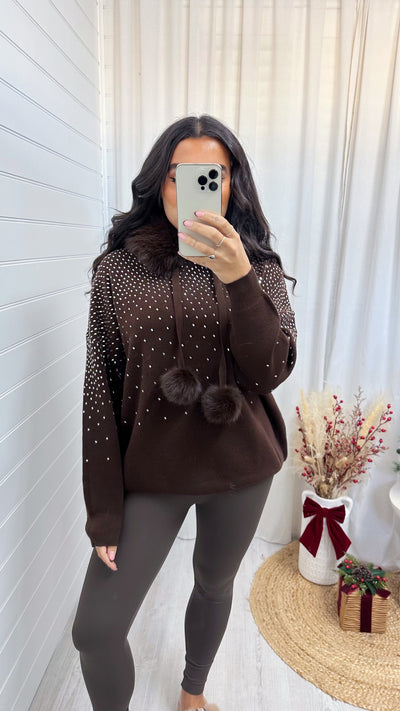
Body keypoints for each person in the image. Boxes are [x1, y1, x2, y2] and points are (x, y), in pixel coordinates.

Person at [71, 114, 297, 711]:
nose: (194, 187)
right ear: (160, 182)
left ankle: (192, 693)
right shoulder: (118, 270)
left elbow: (270, 371)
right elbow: (99, 389)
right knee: (95, 631)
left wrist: (240, 280)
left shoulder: (260, 268)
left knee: (213, 583)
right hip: (153, 470)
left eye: (211, 174)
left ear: (231, 184)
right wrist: (104, 510)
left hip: (242, 467)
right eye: (180, 174)